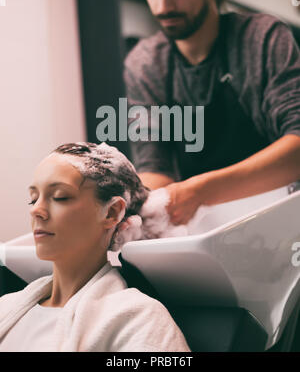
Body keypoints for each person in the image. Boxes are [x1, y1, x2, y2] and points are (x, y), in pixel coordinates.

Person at [123, 0, 300, 226]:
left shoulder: (262, 38)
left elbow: (298, 146)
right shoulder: (145, 63)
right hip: (207, 228)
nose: (163, 6)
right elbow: (155, 167)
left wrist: (202, 190)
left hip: (285, 217)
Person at [0, 142, 190, 352]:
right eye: (33, 199)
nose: (36, 210)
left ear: (111, 213)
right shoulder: (6, 307)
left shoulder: (137, 319)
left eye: (60, 197)